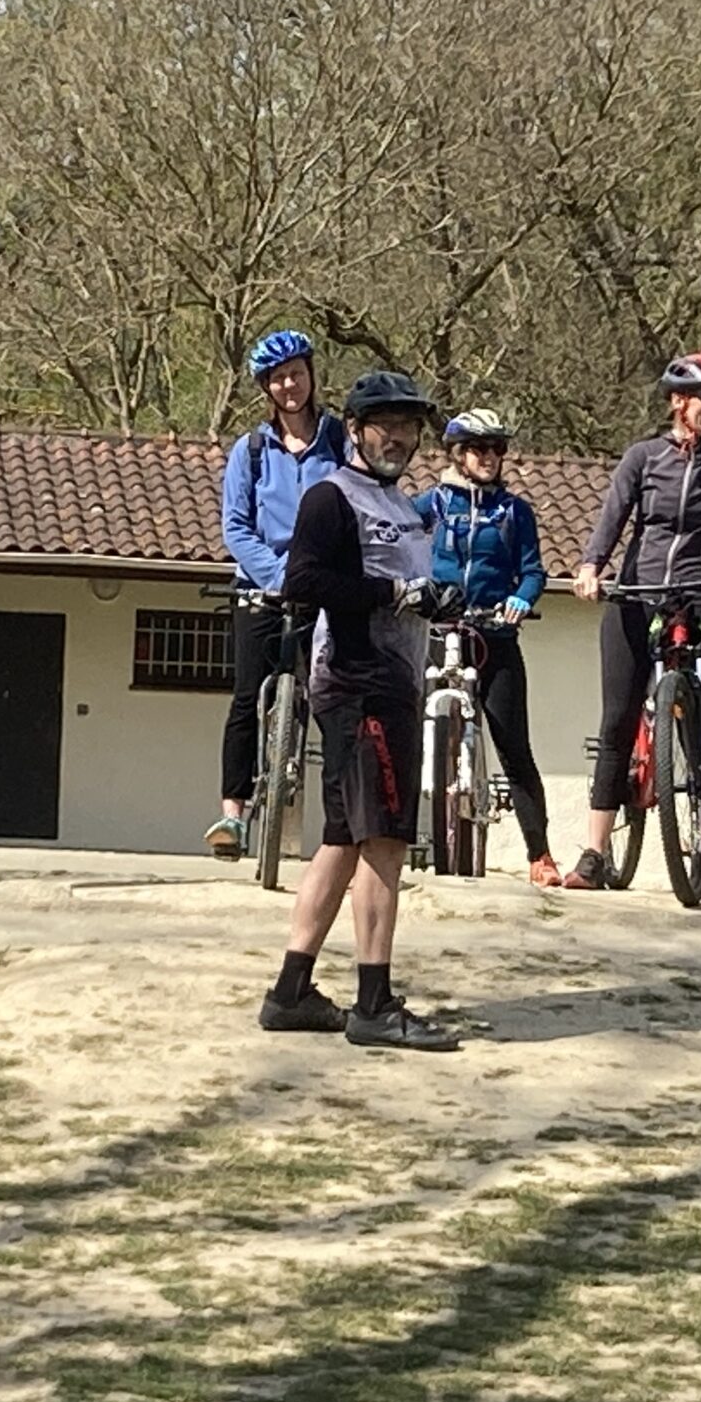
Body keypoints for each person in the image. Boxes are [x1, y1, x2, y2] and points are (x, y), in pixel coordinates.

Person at [257, 371, 466, 1051]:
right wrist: (392, 596)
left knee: (345, 837)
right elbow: (304, 582)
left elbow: (405, 586)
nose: (400, 438)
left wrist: (434, 598)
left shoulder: (404, 506)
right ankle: (374, 1004)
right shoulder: (330, 496)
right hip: (358, 681)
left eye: (409, 428)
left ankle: (290, 993)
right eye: (386, 425)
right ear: (354, 429)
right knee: (385, 839)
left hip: (396, 679)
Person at [563, 352, 701, 899]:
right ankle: (595, 853)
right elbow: (613, 516)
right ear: (679, 402)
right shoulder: (642, 457)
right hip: (637, 593)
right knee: (617, 720)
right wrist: (591, 567)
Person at [209, 328, 348, 858]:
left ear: (312, 375)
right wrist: (275, 574)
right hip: (261, 586)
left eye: (296, 373)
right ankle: (232, 817)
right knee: (247, 698)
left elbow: (354, 505)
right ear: (266, 388)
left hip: (324, 584)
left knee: (329, 700)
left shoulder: (339, 441)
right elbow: (236, 526)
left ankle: (341, 823)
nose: (289, 385)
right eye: (277, 378)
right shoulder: (250, 449)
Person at [413, 409, 561, 886]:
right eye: (479, 448)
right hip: (438, 631)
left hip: (494, 636)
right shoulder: (432, 504)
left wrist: (521, 597)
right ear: (457, 453)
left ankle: (540, 855)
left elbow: (533, 570)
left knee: (514, 746)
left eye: (497, 449)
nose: (490, 457)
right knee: (399, 732)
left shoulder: (515, 512)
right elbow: (396, 543)